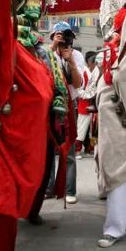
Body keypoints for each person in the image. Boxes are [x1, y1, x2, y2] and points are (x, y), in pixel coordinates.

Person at [45, 22, 85, 204]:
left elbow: (77, 84)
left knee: (68, 149)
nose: (63, 42)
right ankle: (49, 188)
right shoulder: (47, 53)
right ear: (53, 36)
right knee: (48, 150)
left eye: (66, 38)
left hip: (70, 105)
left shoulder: (76, 55)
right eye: (59, 37)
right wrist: (52, 48)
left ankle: (70, 190)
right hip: (49, 105)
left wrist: (70, 61)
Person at [76, 51, 99, 159]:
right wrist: (85, 95)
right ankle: (77, 150)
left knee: (91, 128)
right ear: (89, 62)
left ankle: (90, 148)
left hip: (91, 102)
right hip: (85, 102)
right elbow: (79, 88)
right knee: (81, 128)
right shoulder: (84, 71)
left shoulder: (94, 71)